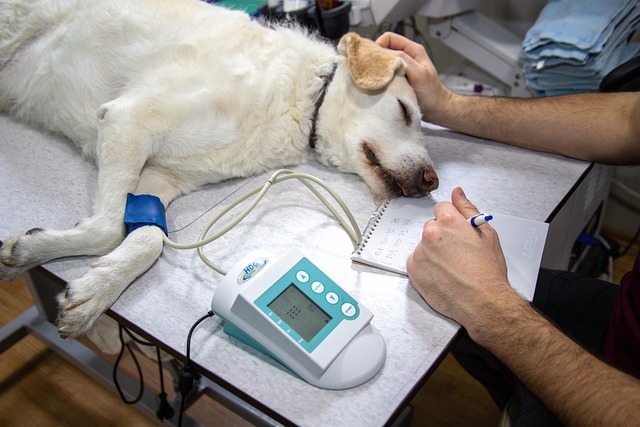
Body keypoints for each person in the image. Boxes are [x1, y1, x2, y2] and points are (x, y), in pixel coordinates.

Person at [376, 31, 640, 426]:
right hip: (627, 324)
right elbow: (627, 120)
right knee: (450, 321)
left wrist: (491, 308)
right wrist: (447, 105)